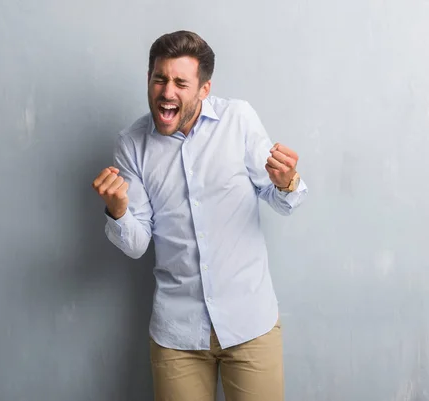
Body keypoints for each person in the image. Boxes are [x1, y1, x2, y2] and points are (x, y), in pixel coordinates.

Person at [91, 30, 308, 401]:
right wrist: (118, 211)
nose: (167, 92)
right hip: (178, 334)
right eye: (159, 79)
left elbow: (281, 199)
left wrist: (286, 183)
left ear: (204, 89)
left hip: (249, 323)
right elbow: (137, 243)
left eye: (180, 82)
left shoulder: (238, 119)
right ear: (148, 79)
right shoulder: (132, 144)